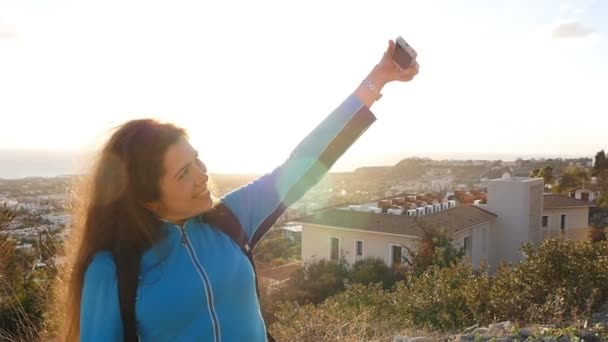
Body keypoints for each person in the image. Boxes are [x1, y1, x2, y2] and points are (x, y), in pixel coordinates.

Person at [59, 39, 419, 341]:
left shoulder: (229, 219)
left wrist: (378, 79)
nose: (202, 176)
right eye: (183, 173)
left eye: (197, 160)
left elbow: (305, 161)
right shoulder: (113, 269)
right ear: (146, 197)